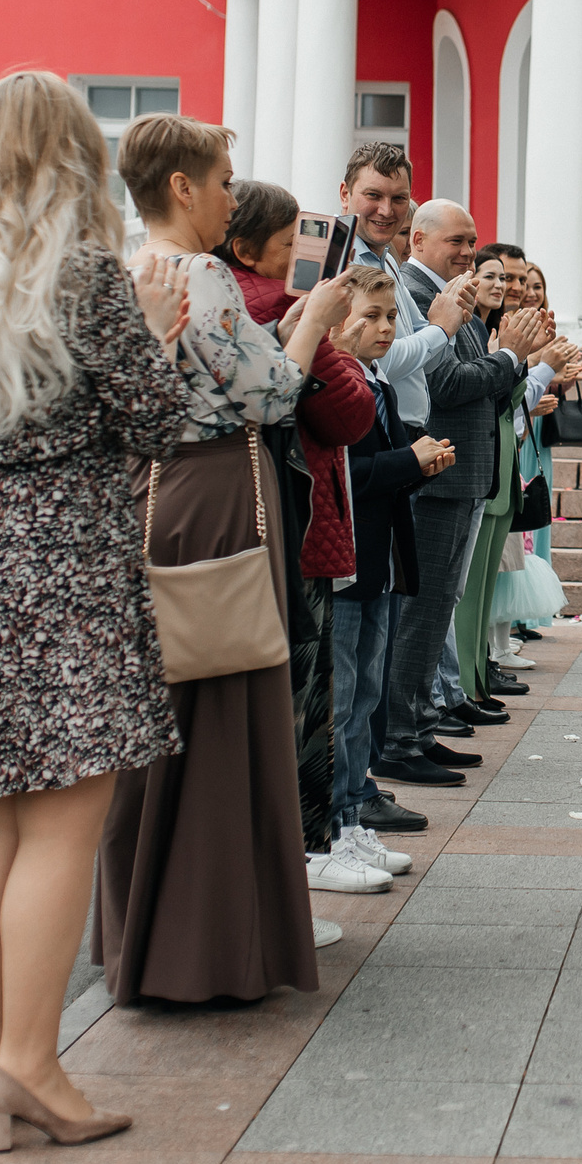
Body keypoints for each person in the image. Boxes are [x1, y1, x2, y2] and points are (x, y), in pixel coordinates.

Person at [0, 70, 192, 1150]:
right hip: (59, 564)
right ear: (72, 155)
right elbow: (159, 420)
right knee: (65, 817)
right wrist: (153, 328)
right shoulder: (88, 276)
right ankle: (30, 1062)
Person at [93, 112, 359, 1003]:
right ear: (180, 188)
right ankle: (211, 941)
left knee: (173, 711)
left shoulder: (131, 269)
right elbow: (270, 392)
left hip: (165, 493)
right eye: (219, 183)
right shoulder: (198, 273)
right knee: (224, 708)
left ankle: (161, 928)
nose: (228, 199)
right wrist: (315, 317)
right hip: (215, 496)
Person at [217, 179, 378, 867]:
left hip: (251, 526)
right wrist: (315, 327)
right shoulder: (276, 308)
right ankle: (308, 851)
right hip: (294, 522)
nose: (298, 259)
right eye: (290, 246)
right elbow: (349, 414)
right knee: (307, 708)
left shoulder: (215, 301)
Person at [377, 201, 546, 788]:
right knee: (422, 614)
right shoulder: (425, 295)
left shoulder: (455, 291)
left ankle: (420, 724)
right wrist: (510, 355)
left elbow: (486, 387)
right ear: (419, 238)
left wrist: (513, 362)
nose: (468, 252)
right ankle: (401, 736)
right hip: (439, 475)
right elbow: (445, 384)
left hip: (466, 472)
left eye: (472, 240)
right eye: (456, 240)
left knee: (435, 609)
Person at [332, 144, 475, 833]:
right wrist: (442, 328)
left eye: (396, 197)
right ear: (346, 193)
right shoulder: (336, 265)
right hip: (369, 446)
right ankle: (346, 796)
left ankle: (365, 780)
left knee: (383, 636)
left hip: (401, 443)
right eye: (372, 196)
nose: (384, 209)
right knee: (353, 659)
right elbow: (383, 354)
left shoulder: (384, 261)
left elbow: (389, 350)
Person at [320, 265, 456, 846]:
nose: (384, 327)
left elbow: (391, 460)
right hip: (347, 563)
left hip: (379, 560)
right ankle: (339, 813)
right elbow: (344, 474)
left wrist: (422, 460)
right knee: (344, 694)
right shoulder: (336, 384)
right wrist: (410, 461)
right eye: (370, 316)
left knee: (367, 689)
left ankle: (357, 796)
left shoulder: (375, 380)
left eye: (391, 316)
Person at [492, 259, 574, 653]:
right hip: (504, 440)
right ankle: (496, 644)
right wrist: (544, 375)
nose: (522, 289)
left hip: (524, 433)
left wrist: (555, 376)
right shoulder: (498, 330)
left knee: (518, 538)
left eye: (529, 283)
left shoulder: (536, 331)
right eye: (512, 280)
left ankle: (502, 638)